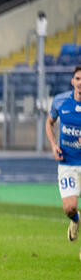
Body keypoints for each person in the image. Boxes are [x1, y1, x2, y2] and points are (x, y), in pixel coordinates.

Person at [46, 65, 81, 249]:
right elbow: (49, 122)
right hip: (67, 163)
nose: (80, 83)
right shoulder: (60, 101)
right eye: (78, 79)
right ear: (72, 81)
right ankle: (75, 220)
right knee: (69, 209)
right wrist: (53, 145)